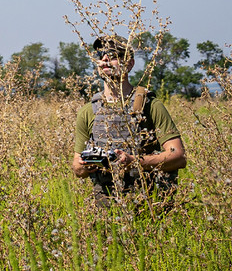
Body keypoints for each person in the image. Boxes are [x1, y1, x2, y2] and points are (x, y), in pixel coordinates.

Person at [71, 35, 187, 203]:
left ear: (130, 64)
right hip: (107, 208)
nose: (105, 59)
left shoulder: (150, 105)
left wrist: (134, 162)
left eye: (113, 55)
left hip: (150, 203)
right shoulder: (88, 111)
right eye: (101, 55)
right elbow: (76, 167)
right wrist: (87, 165)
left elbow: (178, 156)